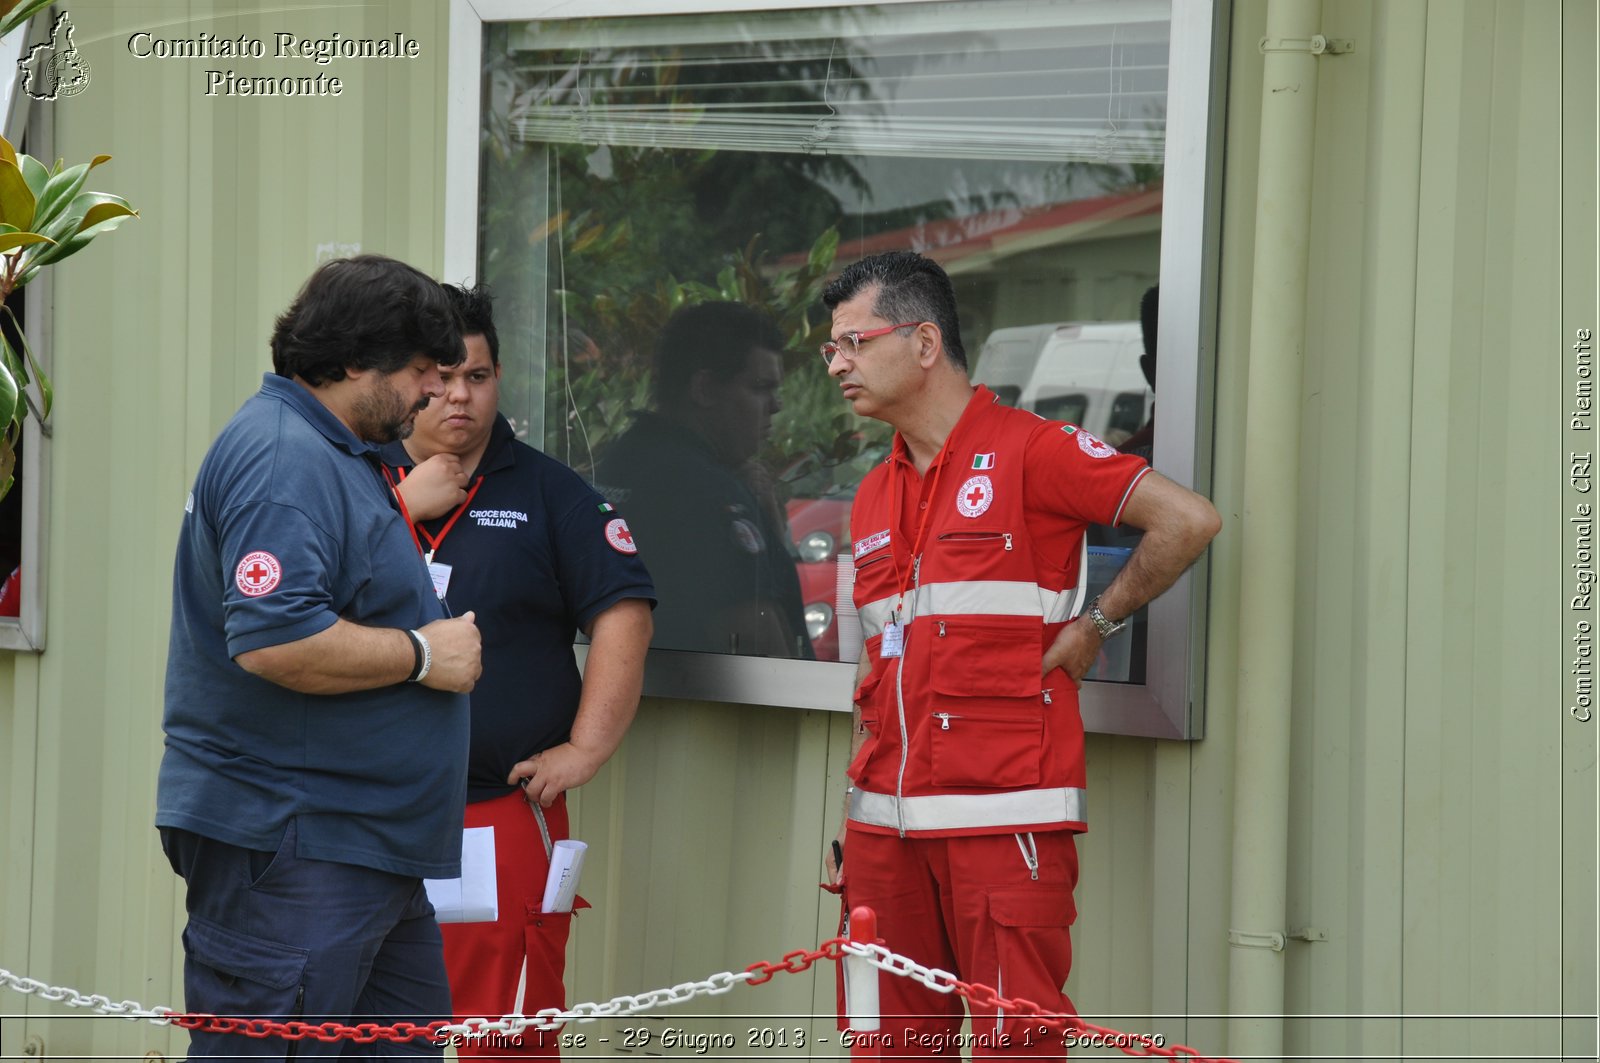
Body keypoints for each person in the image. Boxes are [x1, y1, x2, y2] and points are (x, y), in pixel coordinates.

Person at [820, 251, 1220, 1057]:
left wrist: (1094, 626)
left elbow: (1188, 520)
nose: (837, 364)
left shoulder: (1034, 450)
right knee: (884, 1047)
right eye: (830, 348)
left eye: (855, 342)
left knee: (1018, 1047)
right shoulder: (871, 490)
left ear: (925, 342)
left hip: (1003, 827)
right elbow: (878, 663)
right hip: (882, 837)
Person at [156, 254, 483, 1058]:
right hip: (296, 841)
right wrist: (420, 654)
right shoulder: (283, 459)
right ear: (351, 360)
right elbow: (275, 637)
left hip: (360, 845)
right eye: (418, 371)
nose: (434, 393)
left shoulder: (336, 450)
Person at [383, 284, 655, 1058]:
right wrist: (401, 505)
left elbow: (624, 611)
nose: (459, 396)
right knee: (362, 1018)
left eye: (479, 375)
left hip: (496, 810)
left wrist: (587, 747)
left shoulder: (549, 493)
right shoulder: (357, 480)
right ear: (408, 381)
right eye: (441, 377)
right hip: (368, 812)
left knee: (504, 1032)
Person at [594, 301, 812, 659]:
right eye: (760, 387)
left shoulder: (623, 459)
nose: (776, 406)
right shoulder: (698, 487)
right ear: (705, 389)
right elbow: (754, 636)